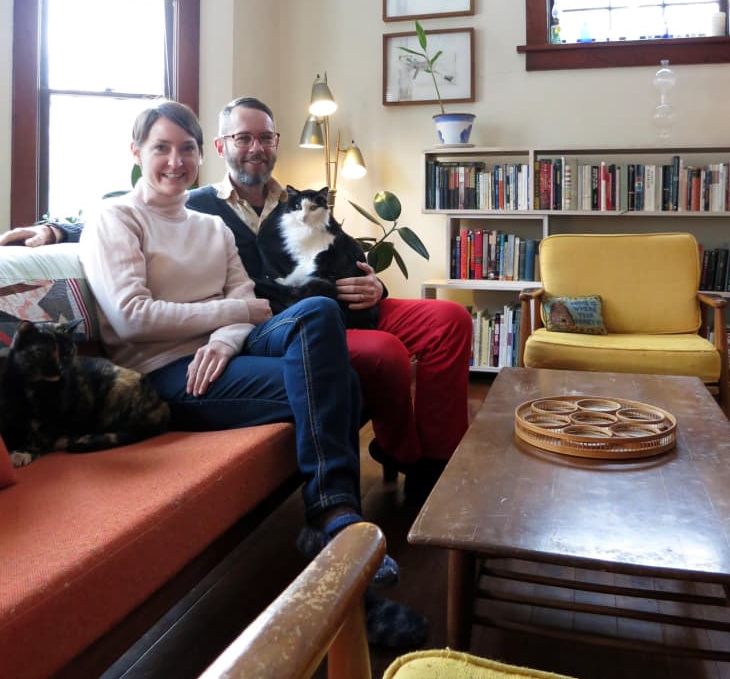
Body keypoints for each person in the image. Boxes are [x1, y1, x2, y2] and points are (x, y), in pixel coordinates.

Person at [73, 100, 428, 649]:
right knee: (344, 387)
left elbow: (249, 304)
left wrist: (223, 333)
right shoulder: (115, 219)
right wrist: (229, 318)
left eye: (185, 148)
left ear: (200, 154)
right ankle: (350, 567)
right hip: (168, 372)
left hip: (222, 351)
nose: (175, 161)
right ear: (136, 153)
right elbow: (134, 319)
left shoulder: (210, 225)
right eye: (161, 148)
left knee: (318, 311)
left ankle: (330, 514)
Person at [1, 96, 472, 500]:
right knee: (376, 352)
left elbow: (340, 251)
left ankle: (442, 457)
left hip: (327, 306)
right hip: (280, 320)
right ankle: (403, 463)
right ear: (223, 147)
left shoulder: (298, 198)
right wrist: (55, 227)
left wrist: (376, 283)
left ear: (275, 144)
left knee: (449, 318)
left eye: (265, 138)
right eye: (243, 138)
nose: (255, 148)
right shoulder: (201, 202)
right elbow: (128, 213)